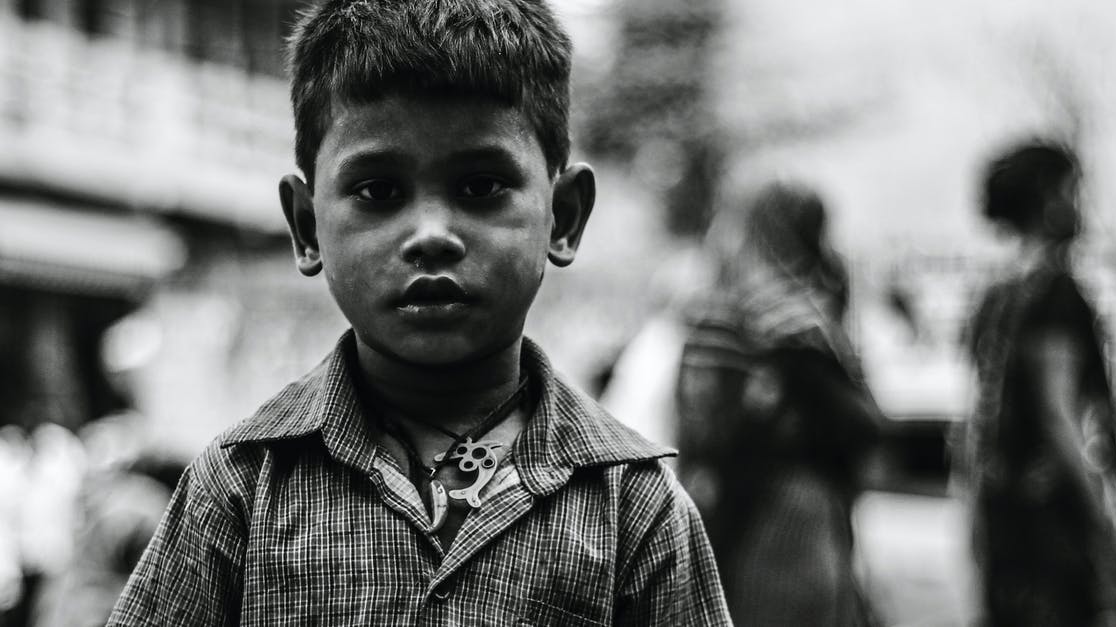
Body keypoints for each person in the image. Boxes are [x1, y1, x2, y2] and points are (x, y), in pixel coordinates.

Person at [106, 1, 730, 624]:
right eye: (378, 191)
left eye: (481, 187)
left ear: (563, 217)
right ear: (306, 226)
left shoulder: (634, 508)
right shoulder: (243, 486)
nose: (431, 234)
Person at [676, 180, 882, 626]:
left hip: (739, 508)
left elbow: (699, 422)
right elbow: (865, 425)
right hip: (801, 512)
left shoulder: (721, 309)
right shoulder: (806, 319)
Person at [964, 140, 1116, 626]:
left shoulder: (997, 295)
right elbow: (1057, 415)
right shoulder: (1054, 292)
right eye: (1072, 190)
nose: (1080, 205)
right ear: (1047, 198)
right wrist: (1104, 518)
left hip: (1007, 527)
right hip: (1054, 531)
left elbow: (978, 425)